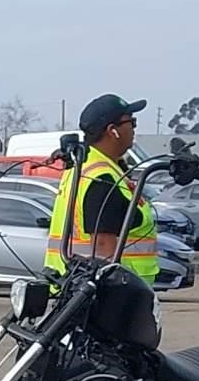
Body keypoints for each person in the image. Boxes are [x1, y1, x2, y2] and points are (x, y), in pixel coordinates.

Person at [45, 93, 158, 285]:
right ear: (112, 131)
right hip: (104, 297)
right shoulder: (101, 178)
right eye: (131, 122)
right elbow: (104, 246)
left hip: (73, 286)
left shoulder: (86, 166)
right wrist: (116, 293)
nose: (134, 129)